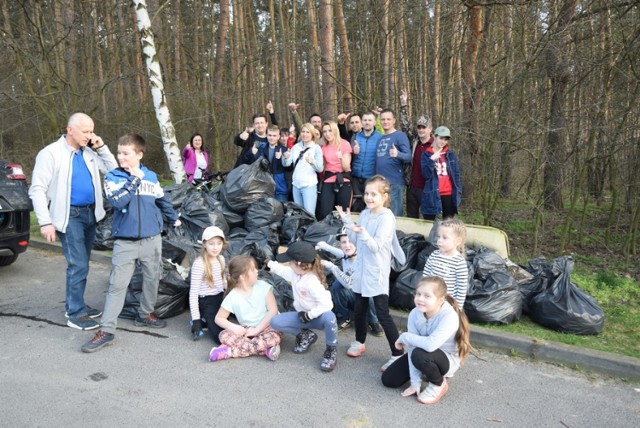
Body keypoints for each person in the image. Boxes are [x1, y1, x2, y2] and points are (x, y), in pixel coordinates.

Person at [81, 133, 182, 353]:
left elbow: (162, 199)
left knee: (152, 279)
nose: (121, 157)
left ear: (139, 154)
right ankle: (106, 330)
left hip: (152, 239)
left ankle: (144, 314)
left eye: (126, 153)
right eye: (119, 152)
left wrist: (174, 218)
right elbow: (118, 202)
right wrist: (135, 179)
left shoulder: (152, 176)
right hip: (125, 243)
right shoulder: (113, 177)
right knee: (117, 286)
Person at [29, 112, 118, 331]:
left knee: (83, 262)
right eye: (86, 131)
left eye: (92, 131)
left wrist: (102, 147)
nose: (90, 135)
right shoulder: (50, 153)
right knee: (77, 264)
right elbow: (37, 189)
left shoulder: (89, 152)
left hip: (90, 214)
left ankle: (78, 303)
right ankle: (75, 312)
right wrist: (45, 222)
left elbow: (114, 171)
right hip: (69, 216)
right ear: (70, 130)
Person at [336, 175, 406, 372]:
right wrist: (348, 222)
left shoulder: (387, 218)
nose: (369, 197)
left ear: (384, 196)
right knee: (360, 308)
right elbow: (356, 241)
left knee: (383, 313)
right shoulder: (365, 214)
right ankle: (359, 342)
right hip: (361, 269)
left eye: (373, 194)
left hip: (377, 272)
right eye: (367, 193)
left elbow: (375, 247)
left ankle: (397, 353)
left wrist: (362, 232)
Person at [381, 276, 471, 405]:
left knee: (420, 354)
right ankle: (425, 370)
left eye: (427, 296)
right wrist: (415, 382)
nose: (420, 299)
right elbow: (412, 348)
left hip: (446, 360)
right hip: (421, 353)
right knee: (389, 380)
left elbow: (430, 345)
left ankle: (438, 383)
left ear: (441, 300)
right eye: (418, 294)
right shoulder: (414, 313)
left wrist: (405, 337)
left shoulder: (449, 316)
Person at [268, 241, 338, 372]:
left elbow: (328, 304)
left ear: (299, 263)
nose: (288, 263)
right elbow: (281, 270)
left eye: (290, 261)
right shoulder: (295, 273)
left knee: (330, 317)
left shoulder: (312, 281)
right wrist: (267, 262)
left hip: (316, 317)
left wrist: (309, 315)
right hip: (301, 317)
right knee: (274, 321)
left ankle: (331, 349)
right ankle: (306, 335)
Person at [209, 255, 282, 362]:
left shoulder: (263, 286)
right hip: (246, 331)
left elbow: (273, 310)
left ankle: (229, 352)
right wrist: (234, 327)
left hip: (267, 326)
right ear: (242, 277)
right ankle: (265, 350)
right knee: (223, 335)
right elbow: (219, 318)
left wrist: (257, 330)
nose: (257, 271)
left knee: (275, 335)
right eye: (253, 269)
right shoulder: (232, 296)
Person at [315, 228, 384, 336]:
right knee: (336, 285)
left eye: (351, 241)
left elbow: (349, 283)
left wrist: (332, 266)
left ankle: (373, 321)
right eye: (343, 242)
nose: (347, 245)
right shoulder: (347, 254)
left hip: (369, 298)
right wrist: (324, 246)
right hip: (354, 295)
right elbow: (341, 253)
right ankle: (344, 317)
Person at [188, 226, 227, 344]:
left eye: (219, 243)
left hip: (220, 297)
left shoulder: (221, 258)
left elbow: (222, 281)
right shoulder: (199, 264)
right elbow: (193, 294)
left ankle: (207, 320)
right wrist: (196, 320)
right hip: (206, 300)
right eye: (211, 244)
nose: (215, 248)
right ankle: (202, 319)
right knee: (219, 335)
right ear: (204, 244)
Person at [399, 90, 434, 218]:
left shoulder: (436, 144)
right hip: (412, 187)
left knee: (429, 218)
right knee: (411, 218)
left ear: (430, 128)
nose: (421, 130)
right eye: (419, 127)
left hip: (428, 189)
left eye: (424, 127)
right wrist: (404, 104)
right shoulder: (414, 141)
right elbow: (405, 125)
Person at [422, 219, 469, 309]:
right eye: (439, 237)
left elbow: (461, 289)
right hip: (430, 302)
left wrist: (457, 309)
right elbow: (425, 277)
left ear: (458, 241)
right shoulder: (434, 255)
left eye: (445, 237)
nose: (439, 240)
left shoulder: (459, 262)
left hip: (447, 306)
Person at [282, 123, 324, 216]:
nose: (305, 134)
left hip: (309, 186)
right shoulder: (295, 147)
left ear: (312, 134)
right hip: (296, 185)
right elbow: (287, 164)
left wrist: (312, 161)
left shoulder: (316, 148)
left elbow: (320, 169)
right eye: (303, 132)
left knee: (309, 215)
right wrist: (286, 157)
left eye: (307, 132)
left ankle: (310, 230)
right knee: (298, 215)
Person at [421, 126, 462, 220]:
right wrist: (432, 160)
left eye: (446, 139)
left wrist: (458, 191)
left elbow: (456, 175)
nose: (443, 141)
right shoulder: (426, 154)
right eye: (441, 138)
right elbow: (426, 175)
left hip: (448, 195)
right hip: (432, 195)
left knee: (447, 226)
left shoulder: (450, 155)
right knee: (430, 225)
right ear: (435, 137)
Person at [376, 109, 412, 216]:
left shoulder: (400, 135)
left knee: (395, 215)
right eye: (383, 119)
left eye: (388, 119)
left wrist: (398, 154)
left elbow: (409, 157)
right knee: (382, 215)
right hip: (381, 183)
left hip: (395, 182)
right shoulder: (380, 138)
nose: (385, 122)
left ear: (394, 121)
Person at [317, 121, 352, 220]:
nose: (327, 134)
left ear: (335, 131)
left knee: (344, 213)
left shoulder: (345, 144)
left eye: (330, 130)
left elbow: (346, 168)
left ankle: (343, 234)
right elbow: (322, 169)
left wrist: (341, 158)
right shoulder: (323, 147)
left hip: (343, 180)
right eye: (325, 132)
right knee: (325, 212)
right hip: (328, 180)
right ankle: (328, 234)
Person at [245, 125, 289, 202]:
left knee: (281, 211)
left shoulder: (284, 150)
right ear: (267, 135)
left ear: (278, 137)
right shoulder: (261, 148)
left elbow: (289, 168)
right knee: (265, 212)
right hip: (264, 187)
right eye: (270, 135)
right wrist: (252, 153)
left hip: (280, 188)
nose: (272, 138)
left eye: (274, 136)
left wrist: (285, 158)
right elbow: (249, 161)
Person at [350, 111, 383, 212]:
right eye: (365, 120)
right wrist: (354, 153)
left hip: (371, 178)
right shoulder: (355, 137)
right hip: (356, 178)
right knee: (356, 207)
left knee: (370, 206)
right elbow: (348, 157)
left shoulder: (380, 137)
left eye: (370, 120)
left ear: (374, 122)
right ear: (362, 122)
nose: (367, 122)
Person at [233, 101, 278, 167]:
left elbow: (276, 128)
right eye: (257, 123)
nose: (260, 125)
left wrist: (271, 113)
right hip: (247, 173)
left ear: (266, 124)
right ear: (253, 125)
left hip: (265, 173)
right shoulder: (249, 137)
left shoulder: (270, 138)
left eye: (262, 123)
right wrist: (240, 137)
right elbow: (236, 141)